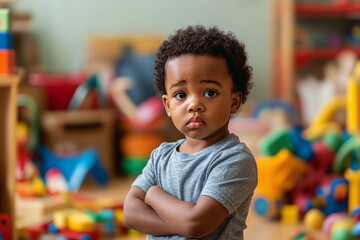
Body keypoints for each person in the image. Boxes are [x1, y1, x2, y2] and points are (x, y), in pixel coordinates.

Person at [123, 25, 258, 240]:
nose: (194, 104)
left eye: (209, 92)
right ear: (167, 105)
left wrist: (153, 194)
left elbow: (195, 223)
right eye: (180, 95)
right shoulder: (161, 156)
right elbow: (130, 213)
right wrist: (180, 223)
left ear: (234, 102)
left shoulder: (234, 159)